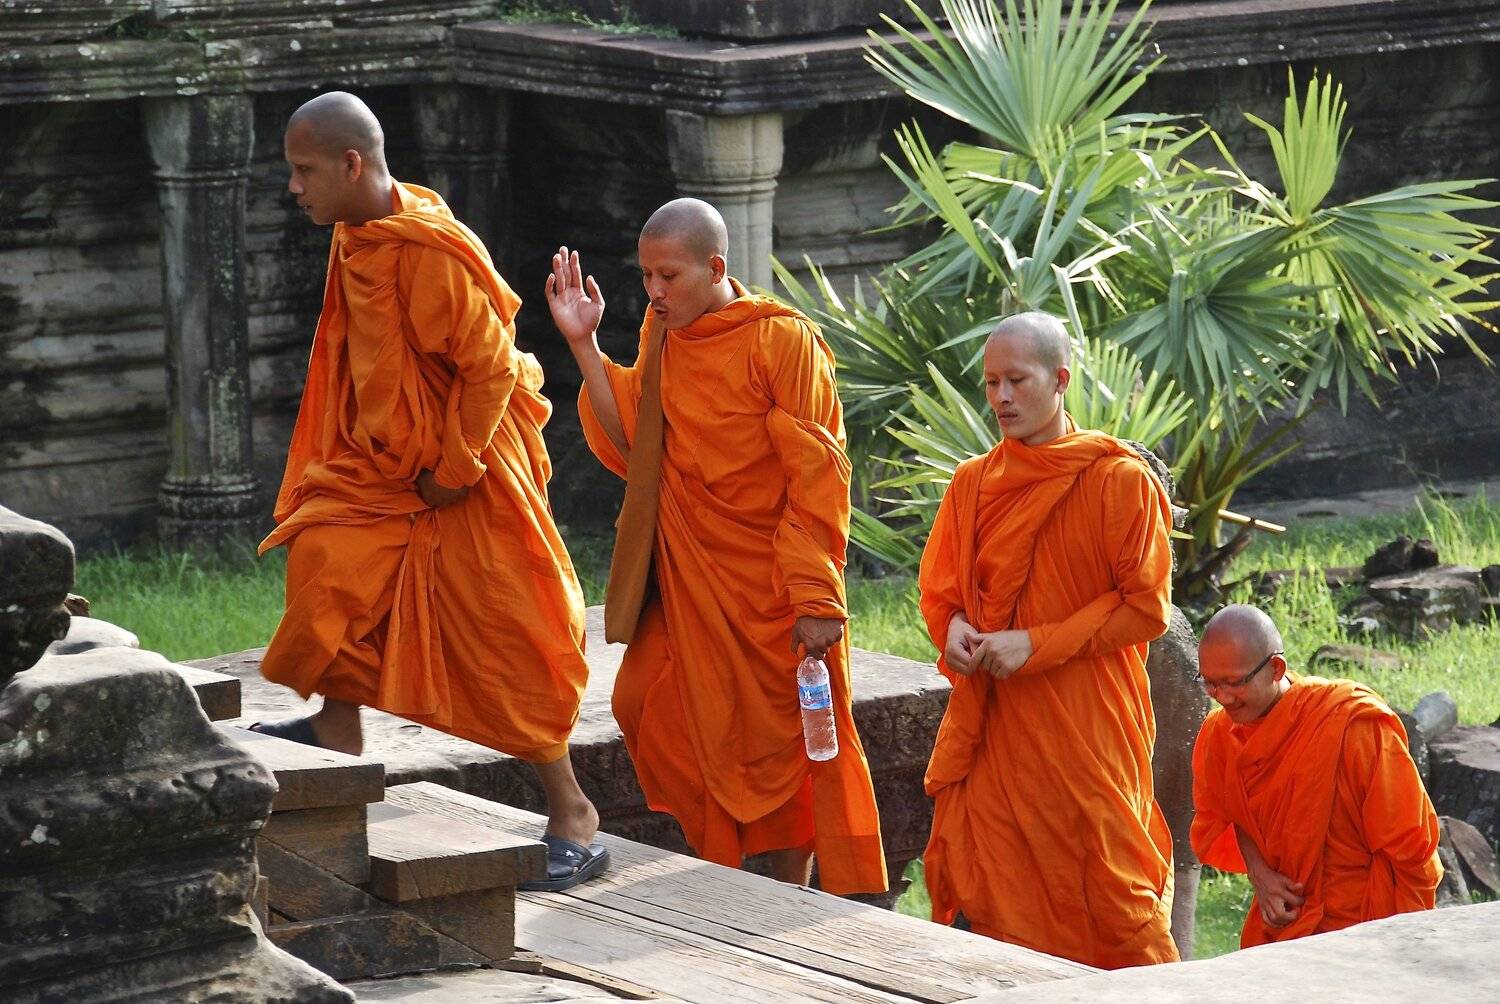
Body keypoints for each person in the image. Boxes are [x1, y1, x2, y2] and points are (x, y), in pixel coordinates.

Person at [252, 91, 606, 890]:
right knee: (325, 552)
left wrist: (452, 472)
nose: (295, 188)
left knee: (507, 621)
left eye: (305, 171)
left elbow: (486, 368)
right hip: (385, 463)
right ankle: (337, 725)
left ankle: (572, 811)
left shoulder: (430, 251)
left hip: (468, 458)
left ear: (351, 164)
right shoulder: (358, 233)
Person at [544, 198, 887, 894]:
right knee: (647, 703)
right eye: (646, 278)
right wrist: (583, 344)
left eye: (668, 275)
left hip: (774, 585)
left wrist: (817, 596)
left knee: (788, 744)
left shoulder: (780, 341)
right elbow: (639, 441)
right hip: (692, 580)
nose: (655, 292)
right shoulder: (664, 332)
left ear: (717, 268)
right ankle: (720, 868)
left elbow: (816, 478)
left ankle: (787, 893)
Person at [917, 312, 1178, 968]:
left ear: (1060, 380)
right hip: (998, 736)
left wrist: (1036, 643)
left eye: (1017, 381)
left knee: (1117, 900)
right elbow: (941, 590)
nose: (1001, 397)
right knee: (995, 909)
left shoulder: (1118, 481)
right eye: (991, 383)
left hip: (1087, 732)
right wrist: (952, 631)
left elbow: (1145, 608)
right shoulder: (972, 484)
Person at [1191, 604, 1441, 947]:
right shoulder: (1219, 735)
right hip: (1283, 929)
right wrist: (1260, 874)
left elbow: (1412, 848)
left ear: (1276, 668)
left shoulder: (1350, 725)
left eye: (1234, 683)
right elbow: (1226, 819)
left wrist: (1407, 943)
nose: (1223, 698)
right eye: (1210, 684)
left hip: (1367, 927)